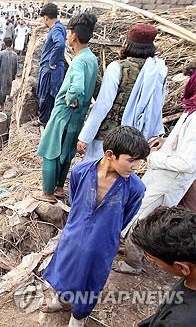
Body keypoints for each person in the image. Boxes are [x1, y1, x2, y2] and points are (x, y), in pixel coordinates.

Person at [41, 126, 150, 327]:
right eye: (131, 160)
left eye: (139, 160)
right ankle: (63, 302)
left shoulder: (135, 188)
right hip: (73, 236)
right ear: (110, 155)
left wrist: (103, 231)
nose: (136, 166)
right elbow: (75, 202)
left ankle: (78, 318)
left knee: (90, 282)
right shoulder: (81, 172)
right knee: (65, 271)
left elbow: (125, 218)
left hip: (102, 245)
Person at [114, 61, 196, 275]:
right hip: (163, 176)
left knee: (141, 218)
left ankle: (133, 262)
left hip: (169, 180)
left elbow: (187, 163)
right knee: (140, 214)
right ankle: (135, 253)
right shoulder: (191, 111)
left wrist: (155, 157)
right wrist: (166, 143)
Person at [77, 24, 167, 162]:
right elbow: (157, 105)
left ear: (128, 43)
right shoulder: (158, 70)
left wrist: (85, 137)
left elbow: (103, 105)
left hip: (108, 137)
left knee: (98, 172)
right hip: (135, 138)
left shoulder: (117, 67)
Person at [35, 13, 98, 203]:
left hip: (64, 113)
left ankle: (47, 193)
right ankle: (59, 188)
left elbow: (77, 87)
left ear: (74, 36)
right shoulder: (91, 58)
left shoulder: (79, 61)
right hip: (77, 116)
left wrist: (71, 100)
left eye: (69, 32)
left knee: (50, 151)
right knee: (66, 152)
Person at [130, 206, 196, 327]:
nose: (152, 262)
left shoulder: (179, 322)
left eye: (154, 261)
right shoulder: (191, 278)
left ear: (182, 268)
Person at [32, 3, 66, 127]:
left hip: (50, 68)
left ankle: (43, 120)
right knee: (51, 94)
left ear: (46, 17)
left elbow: (60, 44)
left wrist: (52, 61)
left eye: (43, 18)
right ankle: (49, 119)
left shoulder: (56, 29)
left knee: (45, 94)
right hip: (54, 68)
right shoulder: (60, 27)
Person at [0, 37, 18, 107]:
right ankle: (4, 104)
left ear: (4, 44)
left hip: (1, 75)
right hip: (9, 76)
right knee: (7, 90)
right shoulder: (15, 55)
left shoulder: (1, 53)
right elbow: (16, 67)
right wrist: (13, 76)